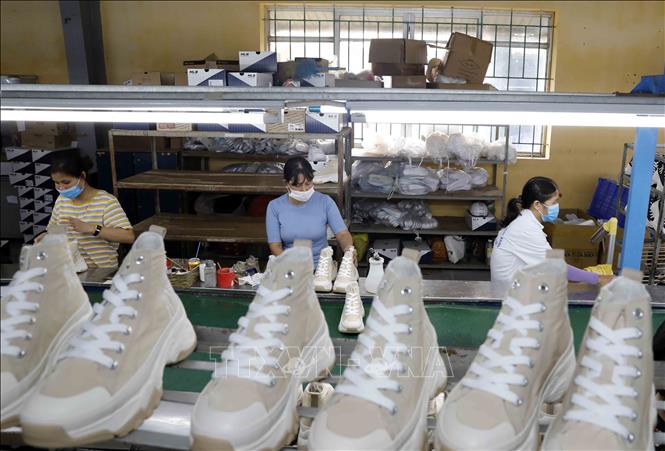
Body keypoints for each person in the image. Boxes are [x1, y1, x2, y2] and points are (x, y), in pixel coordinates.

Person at [491, 176, 606, 286]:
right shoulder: (527, 229)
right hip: (512, 293)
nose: (557, 206)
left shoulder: (523, 220)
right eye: (553, 202)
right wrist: (598, 278)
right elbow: (557, 268)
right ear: (537, 205)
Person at [36, 150, 135, 268]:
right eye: (56, 183)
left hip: (101, 271)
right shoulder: (62, 201)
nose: (61, 187)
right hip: (71, 269)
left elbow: (128, 236)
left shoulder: (105, 201)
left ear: (82, 176)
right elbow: (53, 230)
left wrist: (92, 228)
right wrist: (47, 236)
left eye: (66, 182)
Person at [266, 156, 353, 265]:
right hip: (290, 265)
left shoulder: (325, 202)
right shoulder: (275, 207)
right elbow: (275, 246)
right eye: (298, 186)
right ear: (286, 183)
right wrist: (290, 267)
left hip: (322, 266)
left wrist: (348, 249)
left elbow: (342, 233)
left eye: (308, 183)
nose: (304, 190)